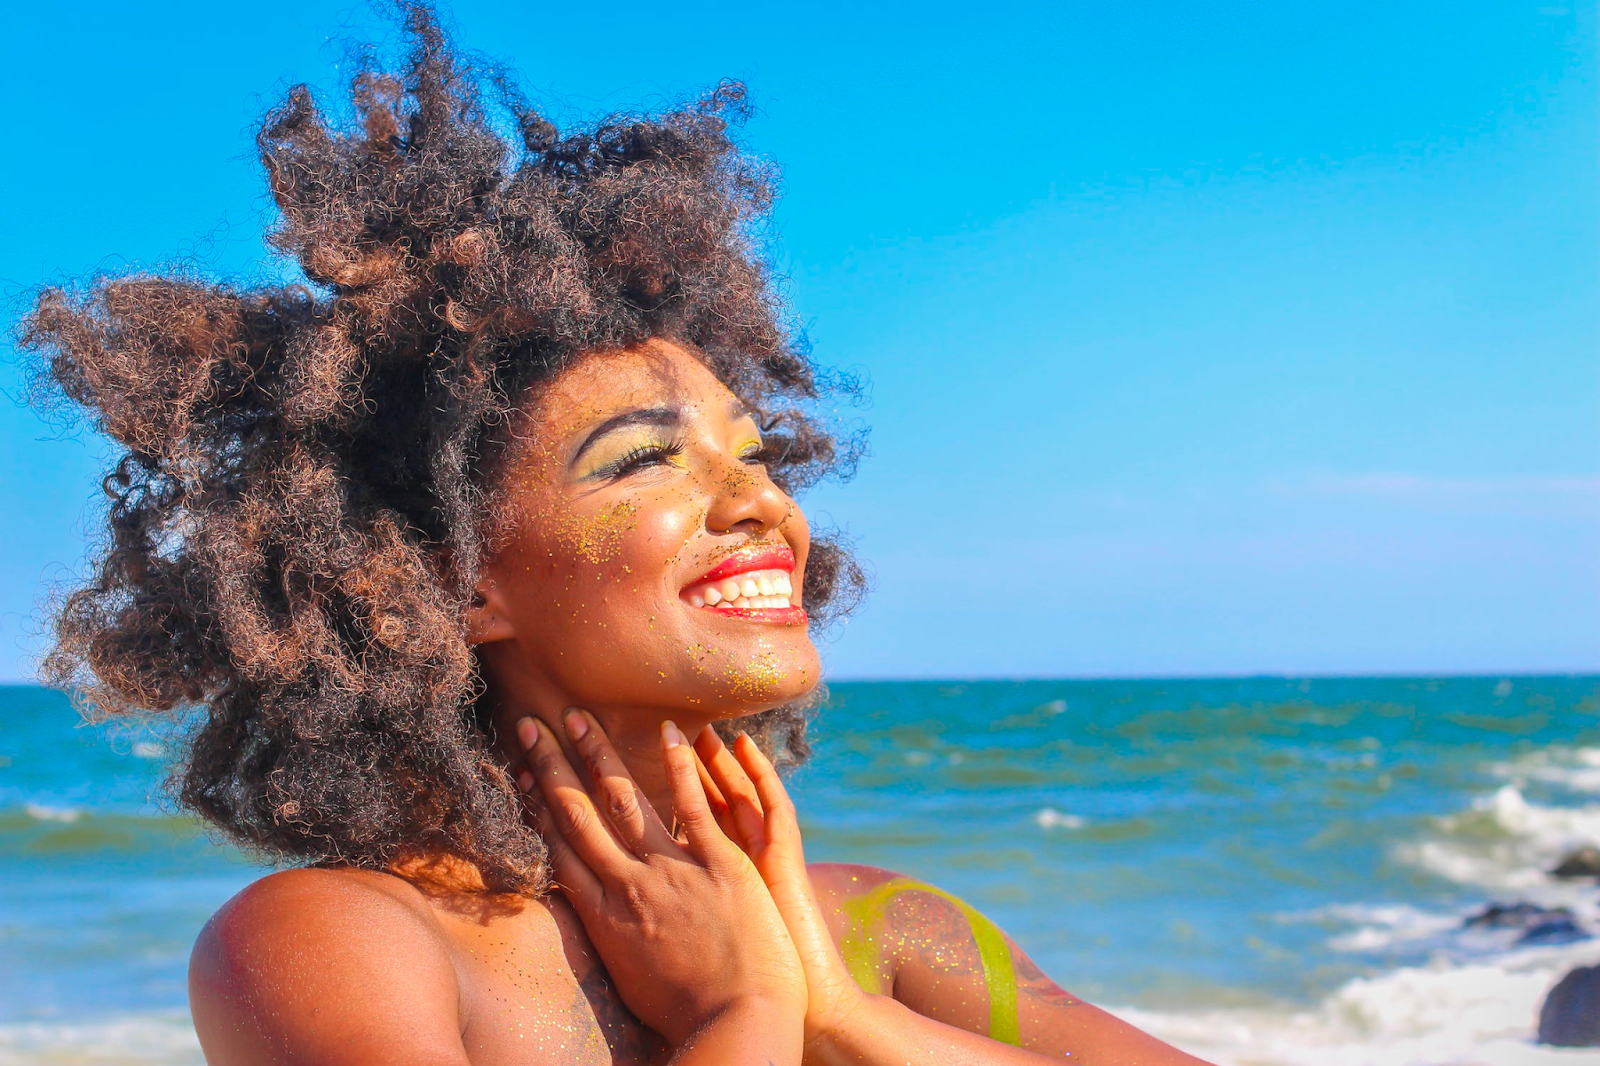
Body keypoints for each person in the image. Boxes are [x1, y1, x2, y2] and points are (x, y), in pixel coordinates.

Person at [20, 6, 1214, 1063]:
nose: (761, 505)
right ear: (450, 578)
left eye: (752, 454)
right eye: (645, 459)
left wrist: (847, 1020)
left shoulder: (882, 929)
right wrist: (735, 1022)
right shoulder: (340, 941)